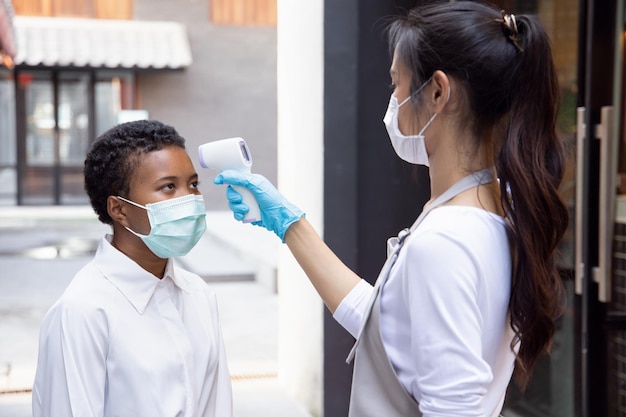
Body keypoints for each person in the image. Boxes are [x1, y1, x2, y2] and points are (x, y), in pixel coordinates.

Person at [214, 1, 568, 416]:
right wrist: (289, 224)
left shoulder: (445, 241)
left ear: (437, 92)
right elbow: (391, 330)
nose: (394, 100)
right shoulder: (491, 212)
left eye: (397, 84)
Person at [32, 120, 233, 417]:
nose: (189, 200)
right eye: (168, 187)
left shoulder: (198, 294)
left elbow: (217, 406)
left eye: (192, 184)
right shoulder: (82, 311)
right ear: (119, 209)